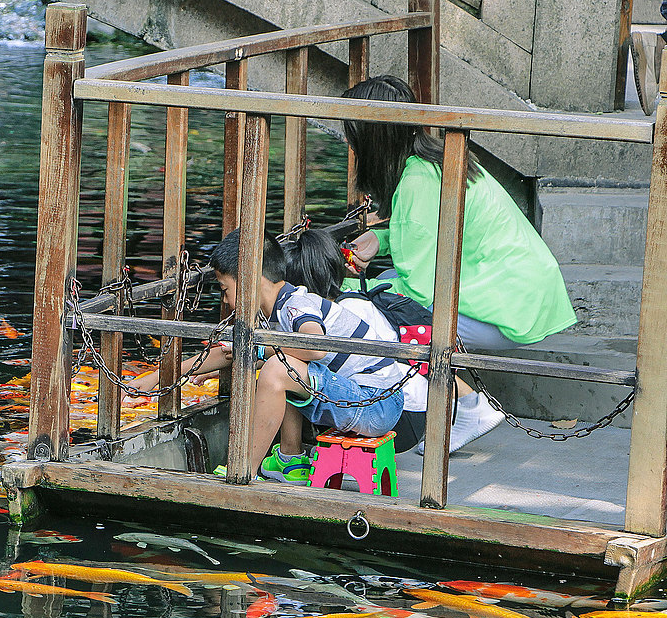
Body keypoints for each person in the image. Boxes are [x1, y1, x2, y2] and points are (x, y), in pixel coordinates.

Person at [340, 74, 576, 450]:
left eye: (354, 136)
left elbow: (417, 289)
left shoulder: (415, 180)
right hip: (521, 292)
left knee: (377, 314)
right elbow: (423, 233)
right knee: (383, 290)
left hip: (506, 307)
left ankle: (467, 402)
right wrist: (379, 239)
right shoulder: (434, 158)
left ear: (373, 138)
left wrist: (344, 293)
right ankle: (462, 404)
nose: (351, 145)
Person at [131, 229, 406, 483]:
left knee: (277, 369)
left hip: (376, 402)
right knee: (281, 368)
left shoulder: (296, 305)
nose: (225, 302)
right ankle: (290, 461)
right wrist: (156, 377)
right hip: (364, 399)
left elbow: (315, 345)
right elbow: (228, 355)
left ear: (251, 279)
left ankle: (244, 469)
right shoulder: (270, 316)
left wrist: (263, 350)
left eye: (225, 290)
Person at [283, 228, 426, 454]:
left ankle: (291, 454)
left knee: (291, 373)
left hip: (401, 415)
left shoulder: (344, 310)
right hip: (404, 406)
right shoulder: (348, 301)